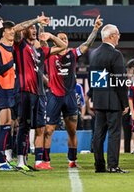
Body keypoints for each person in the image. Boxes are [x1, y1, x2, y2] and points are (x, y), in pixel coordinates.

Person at [44, 16, 102, 169]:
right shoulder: (48, 55)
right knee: (49, 130)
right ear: (55, 41)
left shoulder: (73, 54)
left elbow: (87, 44)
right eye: (60, 38)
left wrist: (95, 29)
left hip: (70, 96)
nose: (63, 40)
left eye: (65, 38)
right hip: (54, 96)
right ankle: (45, 161)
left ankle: (72, 160)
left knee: (71, 130)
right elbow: (41, 41)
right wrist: (41, 27)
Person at [13, 16, 66, 171]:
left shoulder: (40, 51)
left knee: (40, 128)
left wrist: (50, 36)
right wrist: (35, 20)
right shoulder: (20, 45)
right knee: (24, 126)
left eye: (35, 29)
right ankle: (21, 161)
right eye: (31, 29)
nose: (34, 30)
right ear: (24, 32)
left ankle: (38, 161)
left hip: (40, 94)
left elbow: (62, 46)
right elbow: (16, 28)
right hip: (25, 91)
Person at [89, 24, 129, 173]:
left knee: (98, 133)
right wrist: (125, 103)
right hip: (113, 101)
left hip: (99, 101)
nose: (119, 37)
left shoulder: (95, 53)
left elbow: (92, 78)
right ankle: (113, 166)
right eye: (118, 34)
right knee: (114, 133)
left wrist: (94, 97)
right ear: (111, 36)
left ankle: (99, 166)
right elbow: (120, 80)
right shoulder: (115, 54)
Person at [0, 21, 17, 170]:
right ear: (3, 32)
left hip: (12, 89)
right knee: (4, 126)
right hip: (3, 90)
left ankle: (6, 158)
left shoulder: (11, 47)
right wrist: (12, 62)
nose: (12, 32)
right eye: (10, 30)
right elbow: (0, 69)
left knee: (9, 126)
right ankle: (1, 161)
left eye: (13, 29)